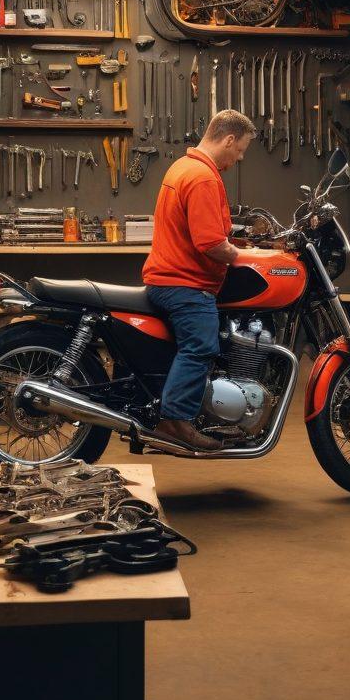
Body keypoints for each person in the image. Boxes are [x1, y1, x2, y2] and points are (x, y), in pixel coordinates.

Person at [142, 109, 257, 451]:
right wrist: (252, 257)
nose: (239, 158)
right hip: (185, 284)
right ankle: (174, 423)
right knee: (201, 347)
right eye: (240, 151)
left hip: (167, 277)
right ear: (229, 139)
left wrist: (242, 236)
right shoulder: (204, 178)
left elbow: (206, 228)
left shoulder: (183, 167)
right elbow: (209, 243)